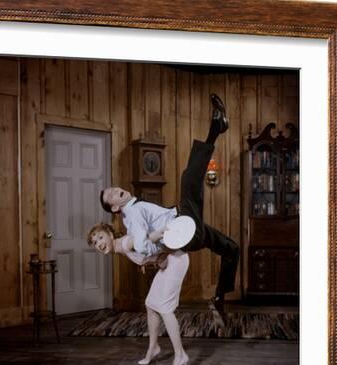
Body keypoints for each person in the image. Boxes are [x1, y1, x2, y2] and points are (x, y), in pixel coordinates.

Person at [99, 94, 239, 316]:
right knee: (188, 179)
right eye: (113, 195)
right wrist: (155, 254)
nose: (117, 190)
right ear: (115, 208)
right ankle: (216, 126)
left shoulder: (134, 209)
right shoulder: (132, 215)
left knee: (231, 248)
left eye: (114, 188)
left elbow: (143, 246)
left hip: (189, 232)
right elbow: (143, 245)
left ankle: (220, 296)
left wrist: (156, 257)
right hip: (182, 228)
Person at [87, 223, 190, 365]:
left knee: (164, 307)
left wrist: (162, 246)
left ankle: (180, 356)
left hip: (177, 260)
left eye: (101, 237)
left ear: (110, 234)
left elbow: (149, 239)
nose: (99, 244)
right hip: (168, 262)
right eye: (95, 242)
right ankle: (153, 348)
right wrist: (150, 260)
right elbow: (148, 249)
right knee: (150, 304)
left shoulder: (126, 243)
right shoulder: (122, 248)